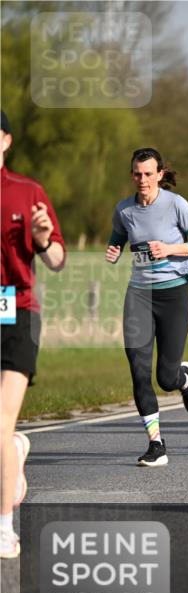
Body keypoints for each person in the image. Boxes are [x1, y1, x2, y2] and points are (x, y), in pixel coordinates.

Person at [105, 147, 188, 467]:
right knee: (138, 370)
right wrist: (114, 249)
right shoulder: (124, 209)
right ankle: (156, 443)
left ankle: (183, 379)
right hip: (138, 294)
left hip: (174, 293)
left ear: (160, 175)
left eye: (149, 174)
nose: (143, 180)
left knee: (164, 377)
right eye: (137, 174)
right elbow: (118, 235)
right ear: (132, 175)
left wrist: (170, 249)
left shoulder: (176, 205)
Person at [1, 110, 67, 559]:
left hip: (16, 313)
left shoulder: (28, 192)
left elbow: (58, 259)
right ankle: (15, 452)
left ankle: (4, 526)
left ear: (5, 140)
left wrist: (43, 240)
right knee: (3, 435)